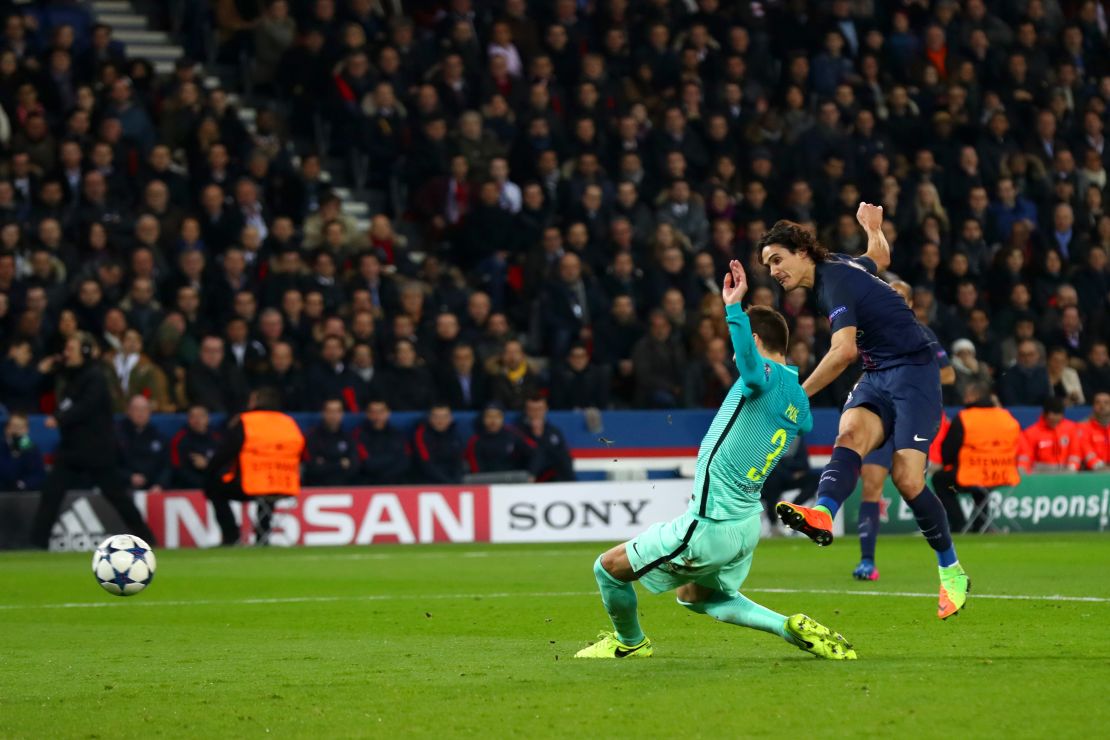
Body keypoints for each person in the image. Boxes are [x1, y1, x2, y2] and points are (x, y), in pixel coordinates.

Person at [575, 261, 854, 661]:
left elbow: (754, 372)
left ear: (754, 341)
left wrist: (733, 310)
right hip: (744, 526)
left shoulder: (764, 378)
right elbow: (787, 404)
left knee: (608, 568)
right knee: (694, 595)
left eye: (740, 344)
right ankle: (786, 627)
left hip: (710, 523)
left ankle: (629, 642)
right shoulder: (796, 398)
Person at [761, 205, 970, 620]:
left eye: (776, 259)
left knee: (908, 479)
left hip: (914, 372)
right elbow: (880, 258)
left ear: (802, 251)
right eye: (768, 265)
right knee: (850, 433)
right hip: (877, 372)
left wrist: (797, 395)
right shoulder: (837, 265)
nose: (772, 272)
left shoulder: (834, 282)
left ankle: (951, 570)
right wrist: (873, 228)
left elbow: (843, 352)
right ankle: (822, 514)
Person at [852, 280, 956, 581]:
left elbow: (948, 374)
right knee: (871, 484)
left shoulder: (923, 335)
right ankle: (867, 561)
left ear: (908, 303)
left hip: (911, 416)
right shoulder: (871, 333)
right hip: (882, 417)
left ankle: (944, 558)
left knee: (910, 486)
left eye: (898, 296)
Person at [29, 334, 158, 549]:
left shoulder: (94, 376)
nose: (66, 352)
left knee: (117, 496)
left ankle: (148, 538)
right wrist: (44, 371)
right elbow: (55, 397)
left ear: (85, 351)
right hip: (71, 450)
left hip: (96, 450)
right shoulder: (71, 376)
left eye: (71, 348)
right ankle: (37, 544)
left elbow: (85, 406)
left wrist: (59, 417)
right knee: (51, 494)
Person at [204, 388, 306, 546]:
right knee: (268, 491)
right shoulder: (289, 422)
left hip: (250, 484)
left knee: (214, 488)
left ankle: (231, 537)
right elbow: (302, 452)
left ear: (257, 401)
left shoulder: (247, 421)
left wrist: (209, 471)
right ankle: (263, 536)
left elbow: (226, 451)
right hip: (284, 484)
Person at [932, 382, 1022, 533]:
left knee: (940, 481)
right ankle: (981, 525)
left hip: (972, 474)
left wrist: (951, 463)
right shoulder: (1006, 417)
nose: (964, 398)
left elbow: (948, 450)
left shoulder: (965, 417)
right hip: (1002, 474)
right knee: (982, 488)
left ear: (974, 396)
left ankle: (959, 524)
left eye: (967, 395)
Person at [464, 402, 534, 476]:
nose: (493, 421)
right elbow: (475, 470)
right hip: (486, 482)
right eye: (489, 416)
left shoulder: (514, 434)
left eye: (497, 416)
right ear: (483, 418)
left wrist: (532, 473)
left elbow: (533, 450)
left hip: (513, 481)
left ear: (503, 418)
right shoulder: (475, 441)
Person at [351, 398, 411, 484]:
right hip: (368, 481)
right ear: (368, 414)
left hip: (395, 480)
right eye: (373, 412)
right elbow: (366, 463)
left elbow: (405, 460)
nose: (377, 416)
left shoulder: (398, 434)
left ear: (388, 413)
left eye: (381, 412)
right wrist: (391, 459)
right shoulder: (358, 434)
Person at [117, 396, 170, 492]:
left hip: (153, 490)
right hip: (123, 489)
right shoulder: (117, 435)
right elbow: (110, 465)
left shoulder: (159, 436)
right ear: (128, 411)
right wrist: (129, 477)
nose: (141, 413)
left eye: (144, 409)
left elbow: (167, 466)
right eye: (136, 409)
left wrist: (160, 484)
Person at [516, 395, 574, 482]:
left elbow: (564, 457)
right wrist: (536, 437)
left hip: (553, 478)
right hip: (528, 479)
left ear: (546, 409)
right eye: (532, 409)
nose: (536, 413)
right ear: (526, 410)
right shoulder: (518, 431)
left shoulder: (554, 432)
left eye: (539, 409)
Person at [1017, 397, 1081, 472]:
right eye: (1049, 414)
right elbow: (1026, 457)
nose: (1051, 417)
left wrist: (1071, 469)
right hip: (1040, 475)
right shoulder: (1030, 433)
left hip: (1066, 472)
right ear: (1044, 414)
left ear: (1062, 415)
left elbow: (1075, 452)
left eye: (1056, 415)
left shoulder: (1071, 428)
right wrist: (1023, 472)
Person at [302, 398, 357, 486]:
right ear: (323, 413)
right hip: (317, 487)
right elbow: (311, 468)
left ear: (342, 414)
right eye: (330, 411)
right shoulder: (312, 437)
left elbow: (354, 467)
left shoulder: (348, 437)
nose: (333, 415)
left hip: (344, 487)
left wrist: (325, 463)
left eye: (337, 411)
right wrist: (340, 464)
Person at [411, 403, 465, 484]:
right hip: (427, 480)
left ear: (451, 418)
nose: (440, 421)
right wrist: (447, 482)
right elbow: (425, 463)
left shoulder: (455, 434)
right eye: (436, 417)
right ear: (430, 419)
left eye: (444, 417)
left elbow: (458, 461)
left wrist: (456, 481)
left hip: (452, 479)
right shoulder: (421, 434)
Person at [170, 405, 221, 489]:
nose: (197, 420)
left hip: (215, 484)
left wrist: (207, 465)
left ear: (208, 419)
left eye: (201, 416)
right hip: (190, 488)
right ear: (188, 420)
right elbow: (177, 468)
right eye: (193, 416)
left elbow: (225, 466)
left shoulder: (218, 438)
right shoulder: (179, 439)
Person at [0, 413, 44, 492]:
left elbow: (38, 474)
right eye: (14, 426)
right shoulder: (2, 446)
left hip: (24, 491)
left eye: (20, 427)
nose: (16, 430)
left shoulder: (32, 449)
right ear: (7, 429)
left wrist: (23, 484)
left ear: (27, 430)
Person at [1076, 392, 1110, 469]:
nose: (1102, 406)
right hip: (1091, 470)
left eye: (1106, 402)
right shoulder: (1082, 426)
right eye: (1098, 402)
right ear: (1093, 406)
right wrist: (1100, 466)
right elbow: (1085, 449)